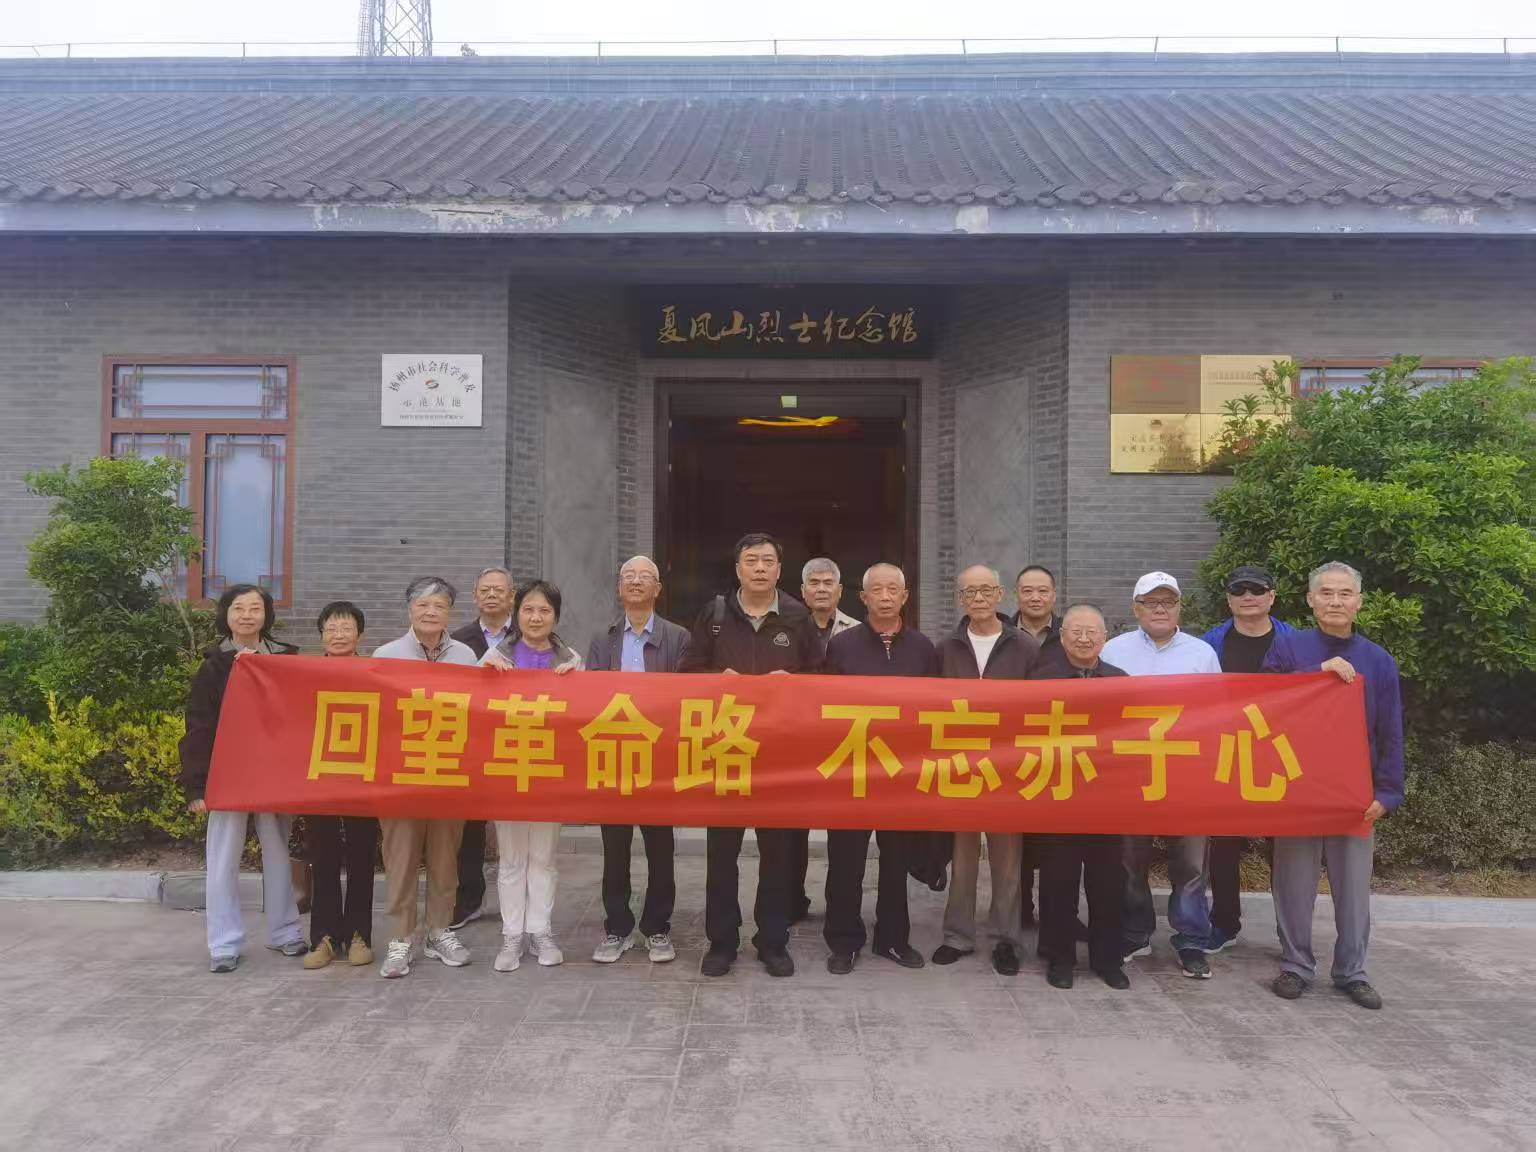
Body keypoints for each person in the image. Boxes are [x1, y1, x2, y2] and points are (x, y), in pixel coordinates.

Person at [679, 531, 822, 978]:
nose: (760, 568)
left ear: (779, 570)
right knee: (721, 855)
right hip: (728, 750)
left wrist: (793, 684)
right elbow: (687, 673)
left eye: (767, 561)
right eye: (751, 560)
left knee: (778, 856)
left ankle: (772, 941)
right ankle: (721, 942)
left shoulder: (798, 617)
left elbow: (821, 681)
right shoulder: (715, 614)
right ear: (738, 568)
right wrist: (715, 679)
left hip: (780, 757)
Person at [1264, 561, 1402, 1011]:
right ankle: (1295, 965)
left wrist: (1387, 792)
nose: (1335, 601)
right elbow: (1262, 703)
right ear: (1310, 600)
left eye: (1345, 593)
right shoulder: (1288, 648)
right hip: (1298, 788)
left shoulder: (1378, 661)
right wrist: (1315, 675)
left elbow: (1390, 732)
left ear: (1359, 602)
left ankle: (1352, 972)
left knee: (1354, 889)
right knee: (1293, 883)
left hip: (1354, 793)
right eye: (1326, 593)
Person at [1102, 571, 1223, 979]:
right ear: (1135, 608)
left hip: (1186, 774)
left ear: (1179, 607)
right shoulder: (1113, 650)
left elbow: (1218, 714)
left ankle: (1191, 939)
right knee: (1128, 860)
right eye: (1150, 602)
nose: (1159, 609)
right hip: (1131, 773)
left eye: (1167, 602)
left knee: (1190, 864)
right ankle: (1135, 932)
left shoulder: (1202, 654)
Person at [179, 583, 305, 973]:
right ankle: (224, 943)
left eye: (255, 608)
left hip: (273, 773)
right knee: (223, 858)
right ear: (227, 615)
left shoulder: (286, 659)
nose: (247, 615)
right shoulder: (213, 665)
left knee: (277, 852)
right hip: (227, 774)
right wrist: (196, 786)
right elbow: (199, 727)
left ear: (267, 615)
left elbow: (300, 719)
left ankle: (285, 932)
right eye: (239, 608)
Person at [822, 563, 936, 974]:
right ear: (863, 597)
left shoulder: (923, 648)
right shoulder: (842, 646)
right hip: (852, 770)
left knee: (896, 861)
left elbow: (934, 711)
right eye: (877, 590)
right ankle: (843, 941)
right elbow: (825, 708)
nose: (885, 597)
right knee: (845, 861)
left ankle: (892, 938)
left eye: (893, 590)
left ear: (905, 597)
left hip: (901, 774)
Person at [372, 576, 480, 978]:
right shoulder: (387, 655)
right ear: (409, 610)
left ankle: (439, 930)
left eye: (439, 606)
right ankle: (401, 938)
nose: (431, 612)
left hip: (449, 773)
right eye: (423, 605)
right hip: (400, 776)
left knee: (445, 858)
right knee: (400, 858)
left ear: (450, 612)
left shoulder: (466, 656)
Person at [933, 564, 1038, 976]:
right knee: (962, 858)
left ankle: (1005, 939)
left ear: (999, 595)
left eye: (985, 591)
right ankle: (957, 935)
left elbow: (1042, 706)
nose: (977, 598)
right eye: (969, 592)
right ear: (960, 599)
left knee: (1007, 860)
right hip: (959, 765)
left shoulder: (1024, 646)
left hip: (1008, 767)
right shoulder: (946, 648)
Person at [586, 556, 690, 965]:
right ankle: (617, 927)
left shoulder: (678, 637)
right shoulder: (604, 638)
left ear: (657, 589)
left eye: (644, 576)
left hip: (659, 760)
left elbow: (685, 697)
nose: (635, 581)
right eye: (628, 576)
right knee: (614, 849)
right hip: (614, 755)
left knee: (660, 849)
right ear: (619, 588)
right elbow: (590, 695)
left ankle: (657, 927)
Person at [481, 580, 583, 972]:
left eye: (544, 611)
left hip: (550, 772)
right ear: (516, 613)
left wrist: (577, 681)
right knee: (511, 858)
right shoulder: (495, 656)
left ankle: (541, 931)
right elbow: (470, 708)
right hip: (507, 770)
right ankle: (512, 936)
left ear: (555, 616)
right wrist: (484, 675)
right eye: (528, 610)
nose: (536, 618)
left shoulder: (571, 659)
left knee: (543, 857)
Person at [1029, 604, 1131, 990]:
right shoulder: (1041, 681)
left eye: (1092, 632)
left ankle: (1108, 960)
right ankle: (1060, 958)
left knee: (1108, 884)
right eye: (1076, 631)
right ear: (1062, 636)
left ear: (1104, 638)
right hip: (1059, 797)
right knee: (1059, 882)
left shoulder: (1120, 681)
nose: (1084, 639)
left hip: (1107, 800)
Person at [1198, 564, 1295, 952]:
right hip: (1228, 752)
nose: (1248, 596)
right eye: (1239, 590)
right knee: (1223, 844)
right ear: (1229, 599)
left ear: (1272, 596)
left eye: (1257, 589)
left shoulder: (1295, 642)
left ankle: (1291, 933)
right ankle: (1224, 923)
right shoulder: (1209, 644)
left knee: (1285, 850)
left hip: (1280, 754)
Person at [302, 600, 378, 970]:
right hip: (320, 777)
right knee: (324, 857)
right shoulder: (305, 674)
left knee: (363, 856)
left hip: (364, 775)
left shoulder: (375, 672)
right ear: (321, 636)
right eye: (331, 628)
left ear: (359, 635)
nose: (339, 635)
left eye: (346, 628)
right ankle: (324, 938)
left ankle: (360, 935)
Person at [447, 565, 516, 931]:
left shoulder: (531, 636)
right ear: (475, 596)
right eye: (485, 589)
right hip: (471, 744)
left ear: (512, 597)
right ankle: (469, 899)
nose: (491, 595)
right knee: (469, 829)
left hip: (517, 742)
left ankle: (517, 906)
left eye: (499, 590)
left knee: (515, 827)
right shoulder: (457, 642)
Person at [794, 556, 860, 919]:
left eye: (827, 583)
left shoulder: (858, 632)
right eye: (814, 583)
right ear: (803, 592)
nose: (821, 589)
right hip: (796, 744)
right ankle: (792, 901)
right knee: (792, 831)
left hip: (844, 745)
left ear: (840, 591)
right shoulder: (786, 628)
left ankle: (841, 909)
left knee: (843, 833)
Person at [1012, 563, 1063, 928]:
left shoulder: (1071, 633)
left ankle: (1058, 916)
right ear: (1016, 595)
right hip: (1012, 751)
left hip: (1060, 750)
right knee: (1018, 841)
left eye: (1042, 591)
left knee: (1056, 841)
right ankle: (1019, 912)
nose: (1035, 597)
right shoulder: (1000, 633)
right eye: (1027, 590)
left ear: (1054, 596)